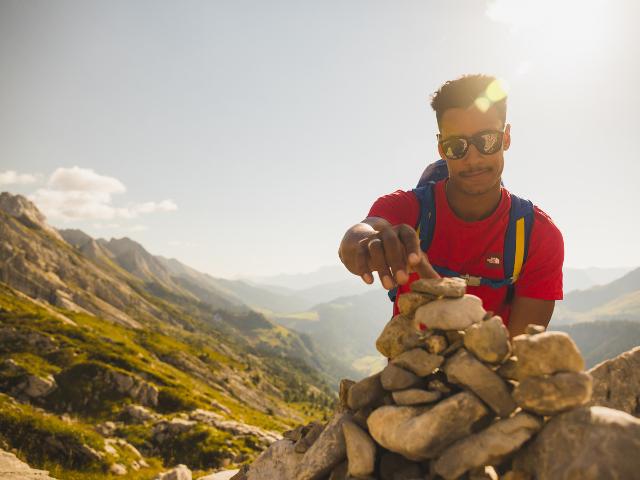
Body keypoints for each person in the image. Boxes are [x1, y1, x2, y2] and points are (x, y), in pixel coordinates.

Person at [338, 74, 563, 337]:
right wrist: (367, 245)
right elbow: (356, 240)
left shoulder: (538, 236)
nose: (473, 158)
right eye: (457, 146)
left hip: (485, 378)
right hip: (407, 376)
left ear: (506, 138)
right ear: (441, 149)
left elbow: (519, 353)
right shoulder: (407, 210)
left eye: (487, 140)